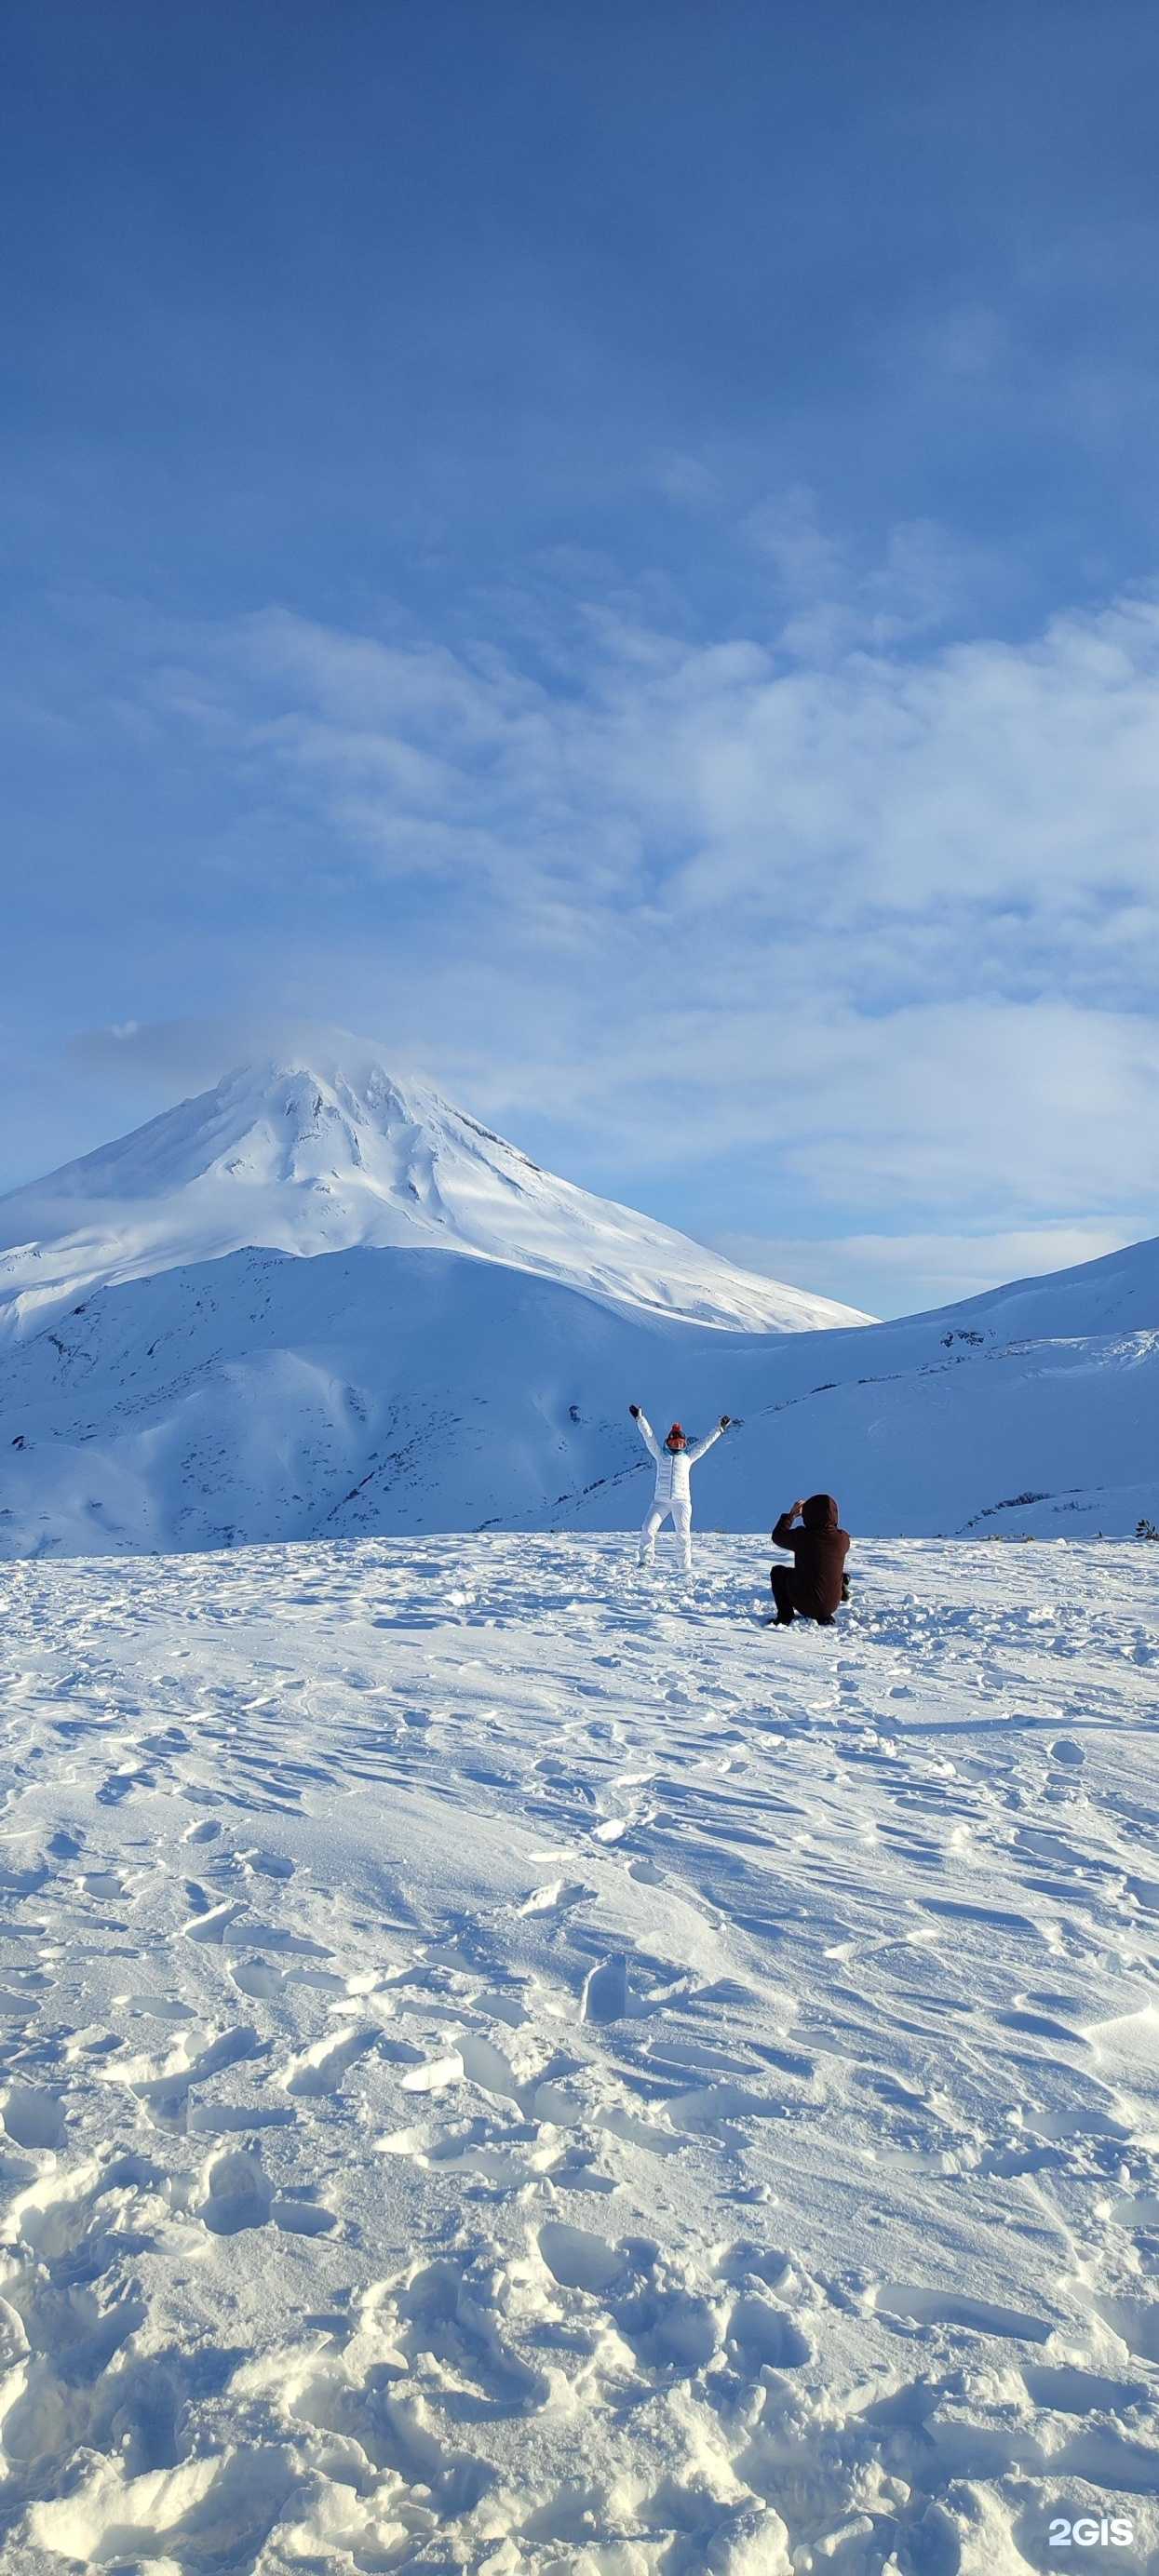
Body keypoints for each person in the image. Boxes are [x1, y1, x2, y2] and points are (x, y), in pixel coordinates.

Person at [629, 1405, 734, 1572]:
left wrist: (719, 1429)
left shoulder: (688, 1458)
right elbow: (649, 1438)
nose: (677, 1445)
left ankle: (684, 1567)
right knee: (647, 1529)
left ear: (684, 1444)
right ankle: (645, 1561)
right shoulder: (660, 1456)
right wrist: (640, 1419)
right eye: (674, 1442)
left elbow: (705, 1444)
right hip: (660, 1502)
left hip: (682, 1502)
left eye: (680, 1443)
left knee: (683, 1535)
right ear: (668, 1442)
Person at [768, 1494, 850, 1626]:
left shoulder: (803, 1536)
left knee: (778, 1573)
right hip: (831, 1606)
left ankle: (785, 1616)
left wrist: (791, 1516)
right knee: (829, 1568)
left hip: (806, 1604)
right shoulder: (842, 1539)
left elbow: (778, 1536)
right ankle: (827, 1611)